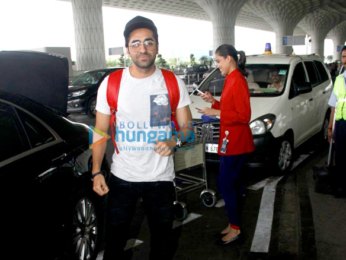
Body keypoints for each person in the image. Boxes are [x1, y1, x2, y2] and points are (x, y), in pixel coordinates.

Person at [91, 16, 192, 259]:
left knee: (162, 244)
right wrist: (96, 172)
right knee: (114, 244)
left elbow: (187, 129)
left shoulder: (172, 82)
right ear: (127, 49)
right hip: (122, 177)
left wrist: (175, 141)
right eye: (135, 43)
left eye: (148, 42)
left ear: (157, 46)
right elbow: (100, 131)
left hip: (161, 179)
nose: (142, 48)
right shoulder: (112, 84)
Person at [197, 44, 255, 245]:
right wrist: (214, 102)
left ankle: (236, 229)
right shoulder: (231, 79)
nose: (217, 65)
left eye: (219, 61)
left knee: (225, 184)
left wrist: (216, 113)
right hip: (230, 141)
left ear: (229, 58)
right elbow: (230, 108)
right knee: (230, 183)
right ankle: (233, 224)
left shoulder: (238, 80)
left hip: (236, 142)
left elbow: (244, 116)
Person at [327, 45, 346, 198]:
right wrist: (329, 127)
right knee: (340, 155)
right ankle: (341, 186)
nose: (345, 59)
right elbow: (334, 105)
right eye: (344, 56)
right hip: (341, 123)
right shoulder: (339, 79)